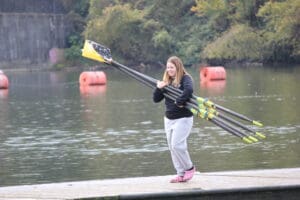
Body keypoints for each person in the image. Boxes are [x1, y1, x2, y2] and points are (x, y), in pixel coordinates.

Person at [153, 56, 196, 183]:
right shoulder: (166, 81)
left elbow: (189, 90)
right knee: (172, 148)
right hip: (169, 119)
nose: (169, 70)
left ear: (178, 67)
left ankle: (190, 167)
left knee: (177, 145)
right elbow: (156, 99)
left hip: (184, 118)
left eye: (171, 67)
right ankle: (180, 174)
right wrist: (159, 88)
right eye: (167, 67)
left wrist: (180, 101)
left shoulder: (185, 78)